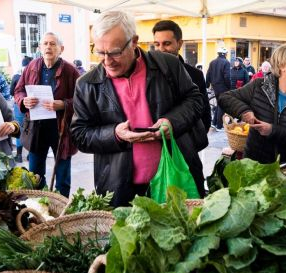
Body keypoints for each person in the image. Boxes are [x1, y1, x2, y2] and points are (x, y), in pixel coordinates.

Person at [71, 11, 205, 207]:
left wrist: (172, 122)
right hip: (120, 188)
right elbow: (79, 134)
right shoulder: (86, 84)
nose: (107, 61)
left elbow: (195, 100)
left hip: (175, 178)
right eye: (100, 52)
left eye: (115, 52)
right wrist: (115, 135)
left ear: (134, 42)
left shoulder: (167, 65)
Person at [218, 42, 286, 165]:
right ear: (282, 64)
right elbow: (225, 98)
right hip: (254, 166)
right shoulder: (259, 86)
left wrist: (273, 131)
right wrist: (244, 112)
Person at [14, 32, 79, 197]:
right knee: (35, 175)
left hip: (61, 130)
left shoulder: (70, 71)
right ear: (40, 48)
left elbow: (83, 99)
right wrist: (24, 101)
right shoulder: (32, 67)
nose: (48, 47)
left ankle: (60, 210)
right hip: (37, 129)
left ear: (61, 49)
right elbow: (18, 91)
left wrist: (64, 104)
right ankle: (38, 208)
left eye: (52, 44)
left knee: (63, 177)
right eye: (45, 44)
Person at [152, 19, 211, 139]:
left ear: (179, 43)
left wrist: (192, 142)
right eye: (157, 44)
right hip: (154, 144)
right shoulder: (148, 74)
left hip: (185, 145)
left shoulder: (195, 75)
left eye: (167, 43)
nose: (161, 49)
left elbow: (204, 113)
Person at [10, 56, 32, 163]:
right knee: (31, 130)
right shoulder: (33, 75)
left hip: (19, 105)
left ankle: (18, 155)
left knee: (20, 129)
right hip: (32, 106)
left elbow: (11, 92)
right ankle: (29, 155)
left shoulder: (16, 76)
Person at [206, 47, 231, 130]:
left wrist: (207, 85)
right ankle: (219, 126)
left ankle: (214, 122)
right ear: (224, 54)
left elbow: (208, 74)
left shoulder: (212, 62)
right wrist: (229, 87)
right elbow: (227, 76)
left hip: (215, 87)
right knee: (222, 106)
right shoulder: (226, 62)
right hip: (223, 87)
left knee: (219, 104)